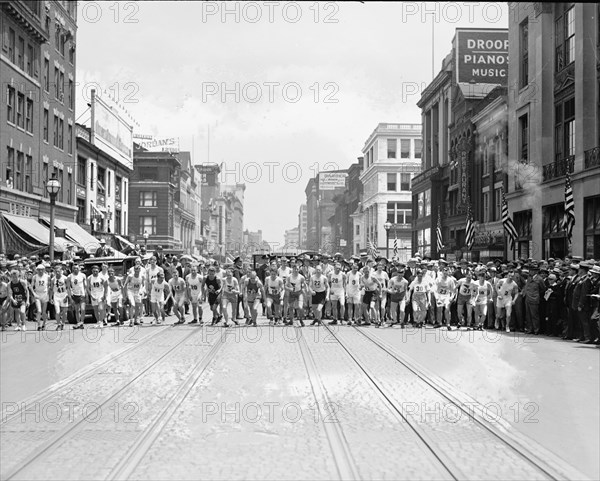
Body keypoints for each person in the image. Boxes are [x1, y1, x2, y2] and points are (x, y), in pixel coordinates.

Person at [50, 264, 70, 330]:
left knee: (64, 312)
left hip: (64, 295)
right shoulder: (53, 279)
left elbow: (68, 288)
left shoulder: (65, 278)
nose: (57, 272)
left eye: (58, 271)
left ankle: (63, 323)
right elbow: (51, 289)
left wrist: (67, 296)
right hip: (56, 296)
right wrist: (51, 298)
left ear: (61, 271)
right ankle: (58, 324)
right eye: (56, 271)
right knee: (57, 311)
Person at [67, 263, 87, 330]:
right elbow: (68, 287)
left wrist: (85, 293)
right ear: (72, 269)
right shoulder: (70, 276)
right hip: (75, 295)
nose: (75, 269)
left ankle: (81, 322)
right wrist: (70, 296)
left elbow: (85, 286)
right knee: (77, 310)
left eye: (77, 268)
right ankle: (78, 323)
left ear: (79, 269)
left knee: (83, 309)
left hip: (82, 294)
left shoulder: (83, 275)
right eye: (74, 268)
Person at [32, 264, 50, 331]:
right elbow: (31, 286)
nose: (40, 271)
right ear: (37, 270)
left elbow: (49, 286)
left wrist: (49, 294)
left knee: (44, 312)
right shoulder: (34, 277)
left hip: (44, 294)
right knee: (39, 310)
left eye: (42, 270)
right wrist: (34, 293)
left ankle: (44, 324)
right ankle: (39, 325)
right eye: (39, 270)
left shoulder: (47, 276)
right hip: (37, 294)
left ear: (44, 270)